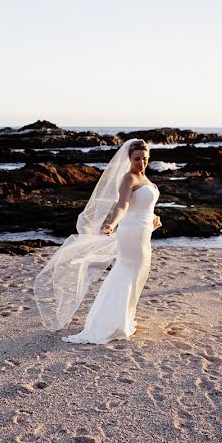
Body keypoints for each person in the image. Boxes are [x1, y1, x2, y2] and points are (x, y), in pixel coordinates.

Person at [34, 138, 161, 344]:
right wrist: (111, 224)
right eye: (137, 159)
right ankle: (109, 323)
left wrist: (153, 218)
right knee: (127, 272)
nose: (142, 163)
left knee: (138, 273)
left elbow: (144, 206)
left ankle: (124, 319)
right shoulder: (128, 178)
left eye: (145, 159)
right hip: (131, 233)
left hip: (144, 231)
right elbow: (122, 206)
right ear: (129, 159)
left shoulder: (145, 179)